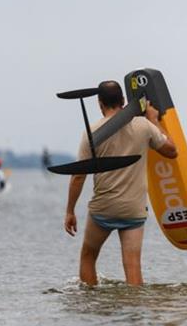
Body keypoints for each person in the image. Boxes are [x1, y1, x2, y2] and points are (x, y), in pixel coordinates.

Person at [64, 80, 178, 286]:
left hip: (103, 208)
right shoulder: (144, 126)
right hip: (133, 209)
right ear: (123, 100)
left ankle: (91, 303)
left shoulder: (91, 133)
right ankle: (134, 311)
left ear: (100, 104)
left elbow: (79, 176)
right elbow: (172, 151)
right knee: (133, 264)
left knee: (88, 256)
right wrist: (153, 119)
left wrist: (70, 211)